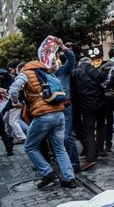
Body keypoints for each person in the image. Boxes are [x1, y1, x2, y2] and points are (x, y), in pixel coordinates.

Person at [8, 60, 76, 189]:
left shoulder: (25, 73)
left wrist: (15, 102)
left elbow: (13, 90)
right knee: (60, 148)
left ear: (21, 69)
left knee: (29, 147)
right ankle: (69, 179)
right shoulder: (47, 72)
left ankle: (47, 172)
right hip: (59, 113)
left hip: (43, 115)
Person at [72, 57, 106, 171]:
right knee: (101, 126)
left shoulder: (75, 73)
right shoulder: (95, 70)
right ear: (90, 63)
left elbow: (74, 91)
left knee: (88, 131)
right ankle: (100, 148)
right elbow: (103, 82)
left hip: (85, 105)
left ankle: (91, 157)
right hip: (100, 103)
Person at [53, 38, 80, 172]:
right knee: (57, 139)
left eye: (53, 62)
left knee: (67, 137)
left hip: (66, 106)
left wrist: (62, 46)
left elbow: (71, 57)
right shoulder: (44, 75)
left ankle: (75, 164)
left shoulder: (63, 71)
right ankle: (65, 163)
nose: (51, 64)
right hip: (52, 110)